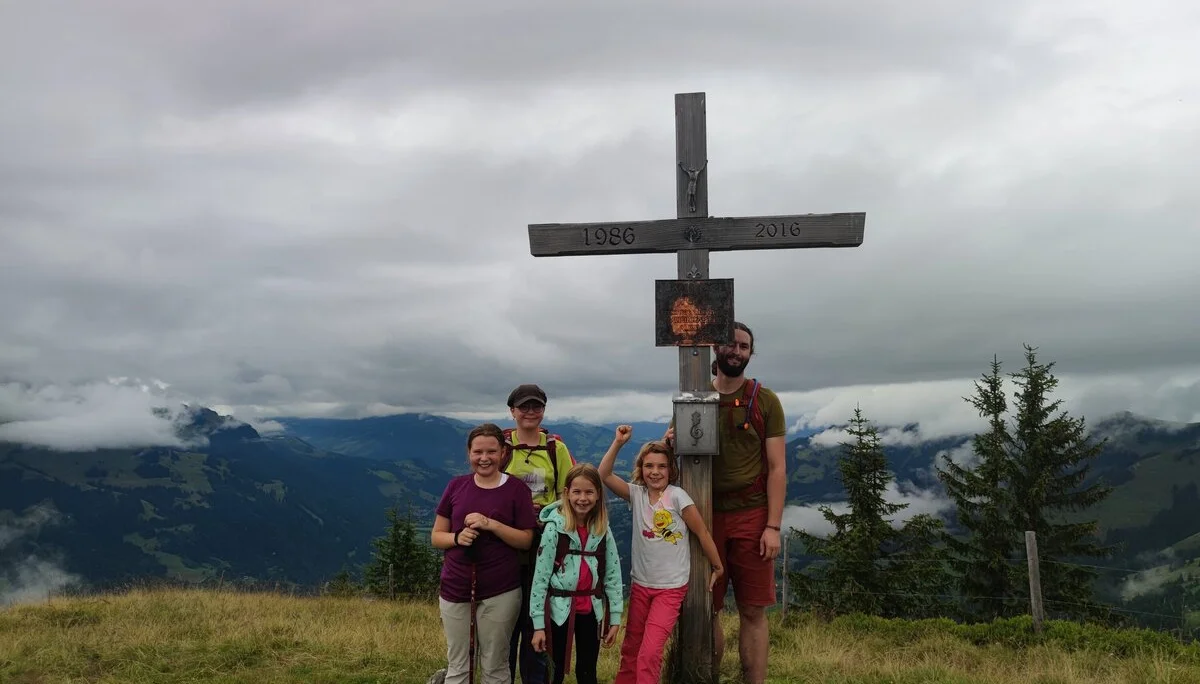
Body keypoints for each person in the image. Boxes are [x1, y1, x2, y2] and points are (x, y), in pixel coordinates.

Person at [665, 321, 787, 684]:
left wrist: (773, 527)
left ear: (751, 354)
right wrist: (669, 442)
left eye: (744, 347)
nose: (736, 351)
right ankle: (706, 677)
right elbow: (668, 458)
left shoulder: (765, 400)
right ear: (715, 348)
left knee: (753, 610)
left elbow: (778, 468)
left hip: (752, 514)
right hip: (703, 515)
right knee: (707, 608)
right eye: (730, 344)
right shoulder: (693, 396)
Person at [597, 425, 723, 684]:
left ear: (670, 470)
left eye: (662, 466)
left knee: (650, 653)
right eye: (649, 466)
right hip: (641, 585)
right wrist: (618, 442)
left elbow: (702, 533)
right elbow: (604, 474)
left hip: (670, 589)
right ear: (641, 469)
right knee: (631, 649)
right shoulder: (637, 494)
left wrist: (718, 567)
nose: (655, 472)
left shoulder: (678, 497)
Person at [431, 423, 539, 684]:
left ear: (503, 452)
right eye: (478, 452)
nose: (484, 458)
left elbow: (526, 540)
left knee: (495, 665)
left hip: (501, 590)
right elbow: (437, 536)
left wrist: (491, 524)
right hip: (456, 587)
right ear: (469, 453)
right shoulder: (456, 486)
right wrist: (458, 538)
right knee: (459, 665)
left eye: (491, 451)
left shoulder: (516, 490)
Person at [502, 383, 576, 684]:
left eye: (536, 406)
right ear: (513, 411)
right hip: (506, 541)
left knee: (538, 619)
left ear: (543, 410)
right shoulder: (502, 446)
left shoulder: (555, 448)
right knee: (506, 619)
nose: (530, 412)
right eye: (524, 407)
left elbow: (567, 494)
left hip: (545, 543)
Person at [528, 463, 624, 684]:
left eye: (589, 492)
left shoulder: (602, 529)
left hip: (591, 608)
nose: (583, 498)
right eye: (577, 492)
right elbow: (540, 579)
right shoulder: (554, 529)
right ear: (567, 493)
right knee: (554, 671)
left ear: (598, 495)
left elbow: (612, 574)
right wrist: (538, 626)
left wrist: (615, 618)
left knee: (588, 670)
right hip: (558, 610)